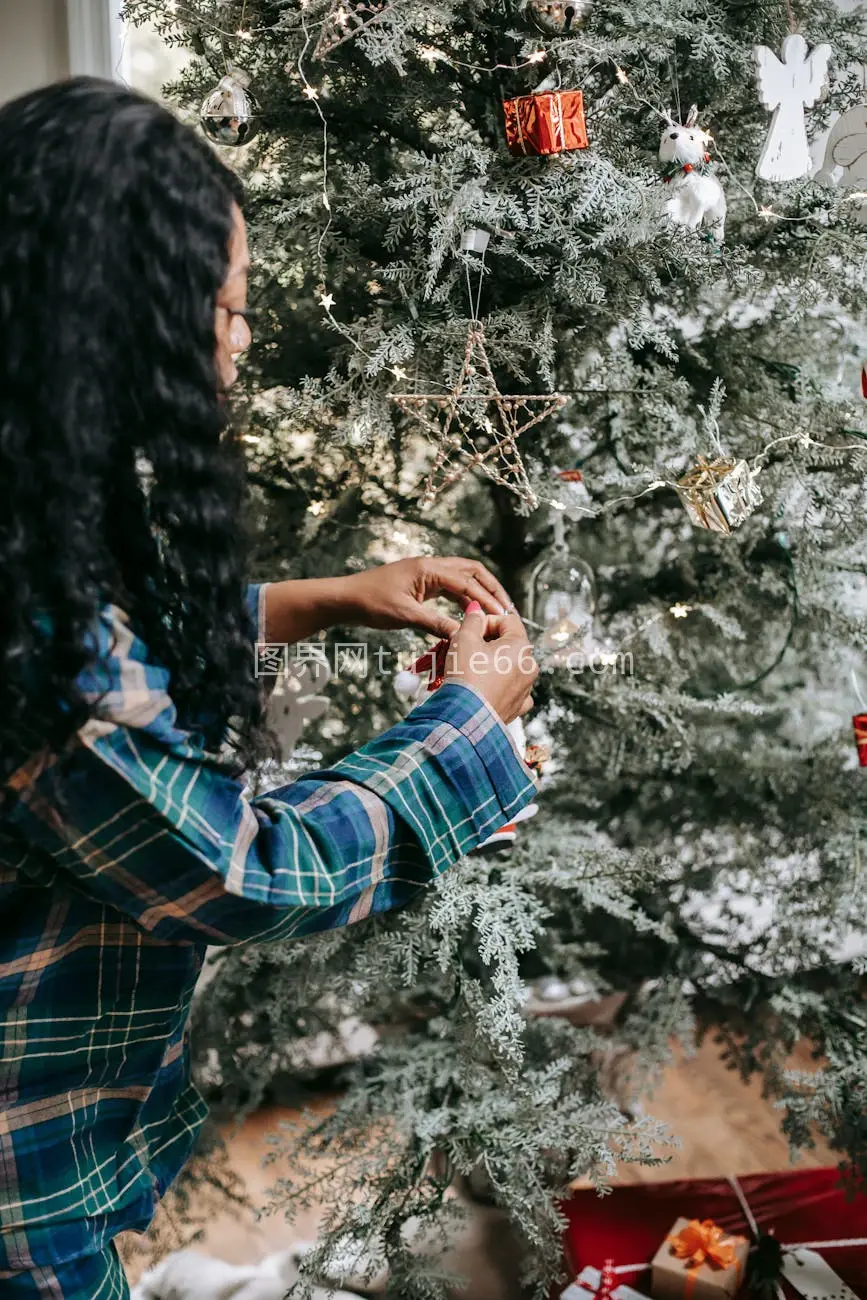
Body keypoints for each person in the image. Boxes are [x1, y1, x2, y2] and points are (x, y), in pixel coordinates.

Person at [0, 78, 538, 1298]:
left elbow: (117, 668)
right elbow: (252, 875)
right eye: (226, 309)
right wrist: (466, 722)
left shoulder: (30, 519)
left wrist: (323, 595)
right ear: (116, 319)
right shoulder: (33, 643)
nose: (240, 341)